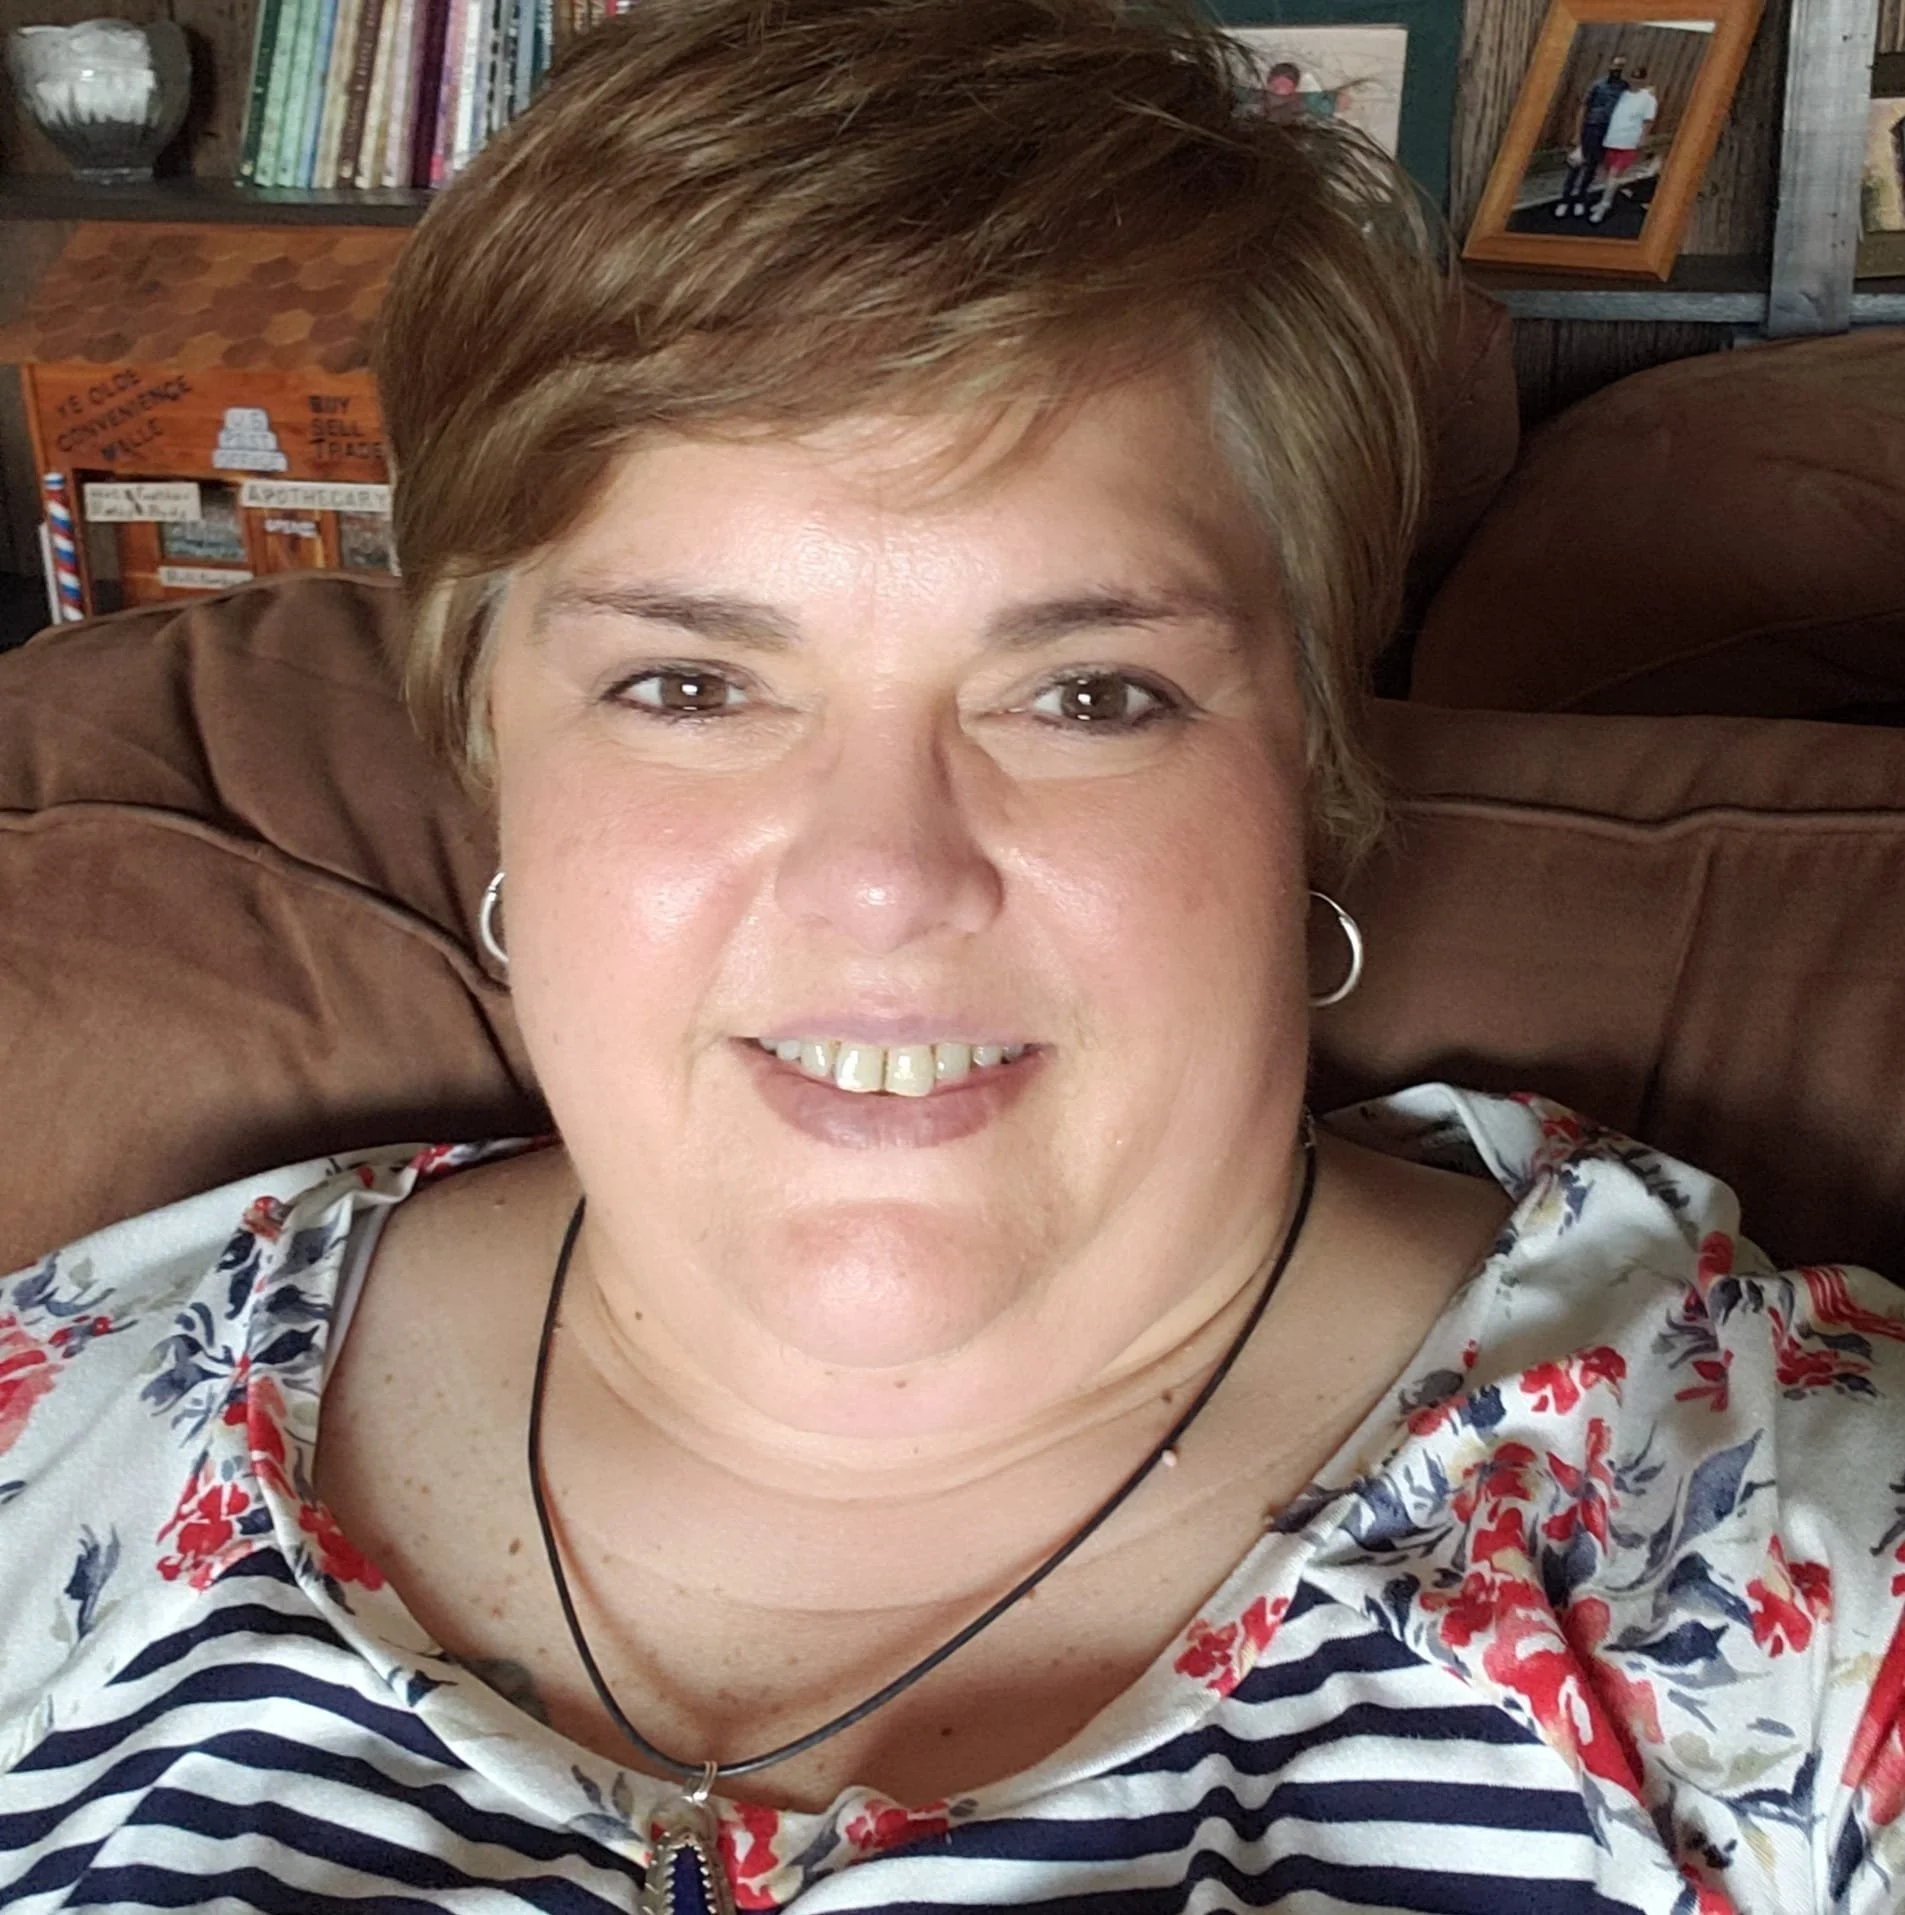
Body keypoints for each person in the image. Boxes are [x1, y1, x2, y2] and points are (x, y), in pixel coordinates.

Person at [3, 0, 1904, 1909]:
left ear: (1315, 775)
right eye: (690, 683)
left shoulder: (1786, 1570)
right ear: (493, 754)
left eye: (1087, 692)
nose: (883, 882)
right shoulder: (70, 1427)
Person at [1555, 52, 1627, 218]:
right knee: (1576, 166)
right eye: (1615, 65)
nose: (1617, 69)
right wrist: (1577, 134)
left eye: (1621, 66)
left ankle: (1580, 199)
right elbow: (1583, 109)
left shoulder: (1624, 87)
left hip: (1607, 132)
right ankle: (1565, 201)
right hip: (1590, 129)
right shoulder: (1598, 85)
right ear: (1610, 66)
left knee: (1592, 168)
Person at [1593, 65, 1661, 224]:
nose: (1636, 82)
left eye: (1639, 79)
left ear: (1644, 80)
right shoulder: (1623, 94)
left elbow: (1648, 120)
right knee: (1604, 174)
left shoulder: (1648, 99)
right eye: (1633, 78)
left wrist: (1642, 138)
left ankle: (1605, 205)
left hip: (1628, 142)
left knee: (1614, 174)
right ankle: (1603, 200)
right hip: (1611, 139)